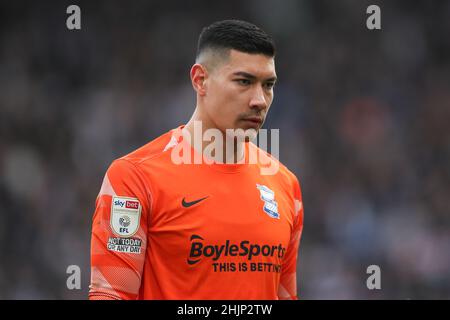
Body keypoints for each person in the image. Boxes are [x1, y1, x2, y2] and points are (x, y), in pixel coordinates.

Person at [89, 19, 304, 300]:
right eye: (244, 81)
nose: (259, 100)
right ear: (200, 80)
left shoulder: (286, 186)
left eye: (268, 85)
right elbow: (110, 295)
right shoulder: (133, 179)